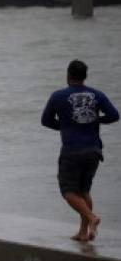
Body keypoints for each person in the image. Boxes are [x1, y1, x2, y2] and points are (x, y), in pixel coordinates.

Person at [41, 60, 119, 242]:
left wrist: (65, 125)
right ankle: (84, 232)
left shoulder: (58, 96)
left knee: (68, 191)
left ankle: (92, 218)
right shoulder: (97, 94)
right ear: (85, 77)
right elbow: (114, 115)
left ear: (68, 75)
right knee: (84, 191)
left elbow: (45, 120)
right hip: (93, 150)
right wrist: (95, 120)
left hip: (72, 151)